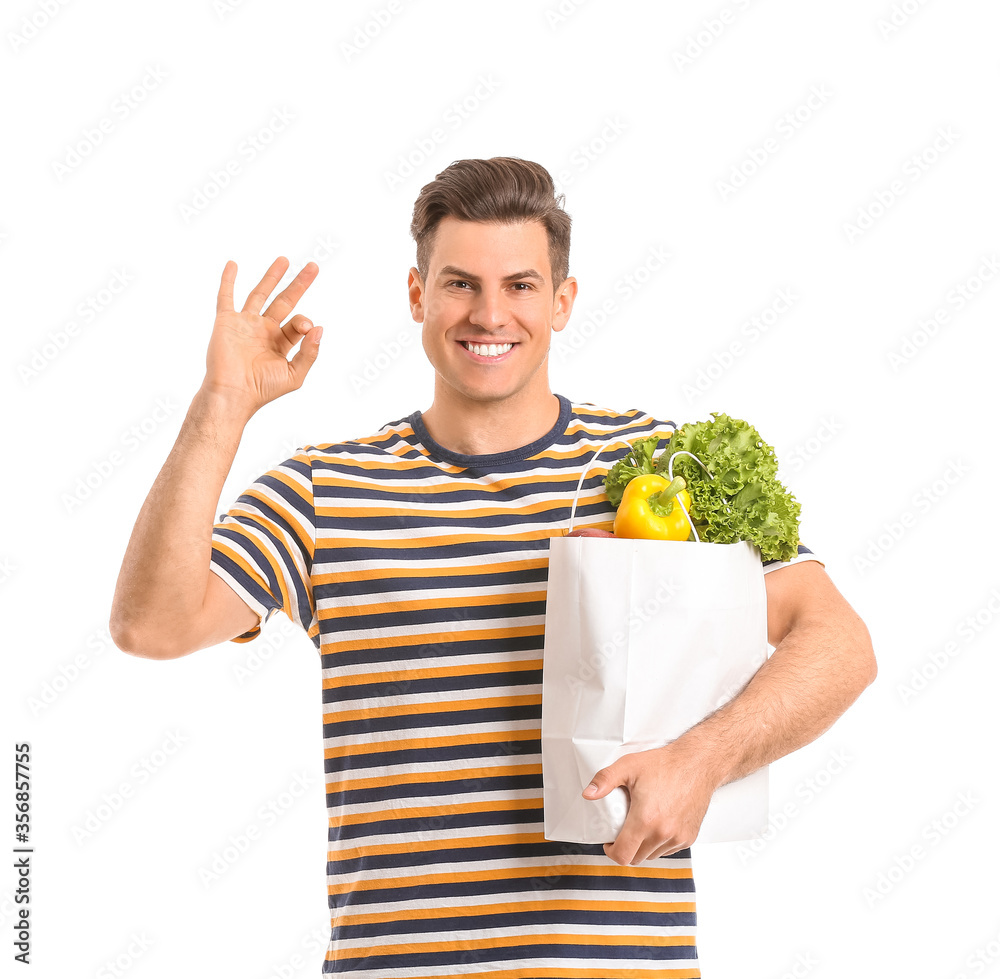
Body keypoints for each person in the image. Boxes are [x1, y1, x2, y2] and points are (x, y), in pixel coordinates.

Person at [110, 157, 877, 977]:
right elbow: (151, 624)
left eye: (519, 285)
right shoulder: (323, 490)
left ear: (562, 300)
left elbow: (837, 640)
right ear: (416, 296)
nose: (489, 313)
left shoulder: (656, 471)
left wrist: (703, 759)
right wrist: (222, 403)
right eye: (459, 284)